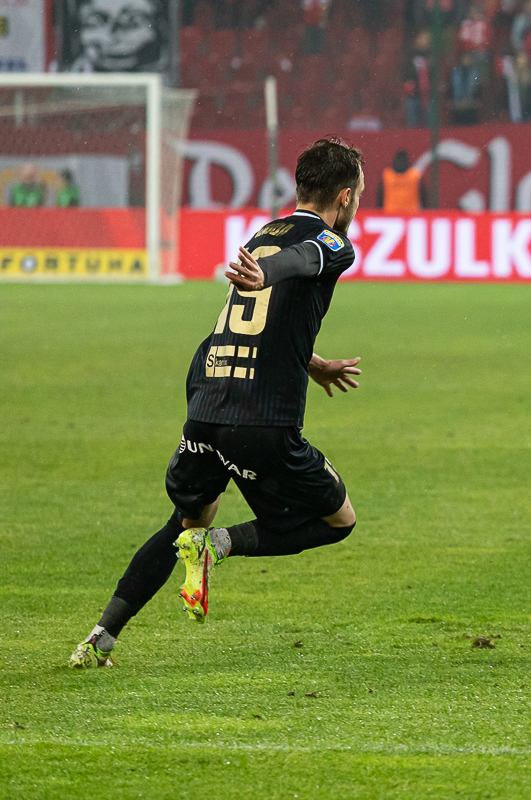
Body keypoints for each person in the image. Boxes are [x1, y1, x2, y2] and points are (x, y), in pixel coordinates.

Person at [69, 138, 368, 668]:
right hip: (262, 420)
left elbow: (262, 321)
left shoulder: (263, 233)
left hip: (207, 402)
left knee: (187, 518)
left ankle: (100, 637)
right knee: (337, 521)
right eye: (359, 195)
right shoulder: (333, 241)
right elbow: (304, 260)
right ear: (344, 197)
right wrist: (267, 276)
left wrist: (312, 361)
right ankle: (221, 546)